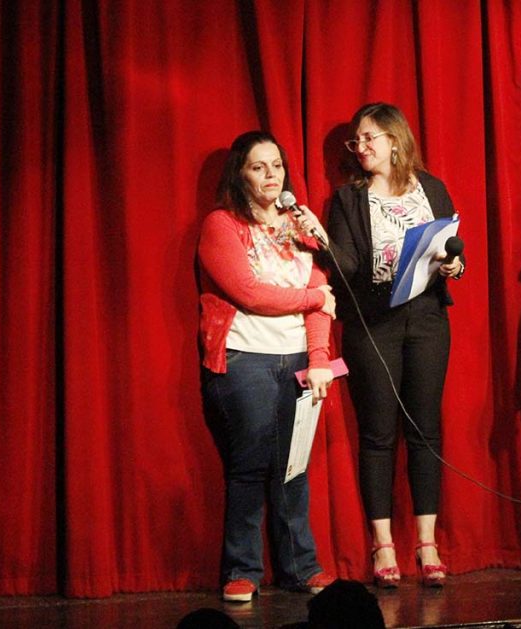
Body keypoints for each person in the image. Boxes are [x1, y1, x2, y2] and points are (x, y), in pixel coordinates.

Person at [325, 103, 464, 588]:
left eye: (369, 138)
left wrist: (455, 265)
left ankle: (427, 543)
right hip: (375, 321)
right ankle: (383, 545)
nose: (360, 147)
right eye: (356, 141)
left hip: (427, 318)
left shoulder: (432, 188)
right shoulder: (347, 200)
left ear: (395, 140)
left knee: (426, 428)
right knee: (378, 433)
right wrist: (321, 244)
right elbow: (346, 268)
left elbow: (452, 247)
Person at [198, 130, 337, 602]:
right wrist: (314, 297)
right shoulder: (222, 224)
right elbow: (250, 292)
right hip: (246, 359)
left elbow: (323, 298)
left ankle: (301, 566)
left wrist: (319, 358)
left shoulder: (299, 224)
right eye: (259, 167)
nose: (271, 174)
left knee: (293, 468)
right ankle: (242, 570)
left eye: (276, 165)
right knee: (250, 465)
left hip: (298, 359)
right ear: (240, 174)